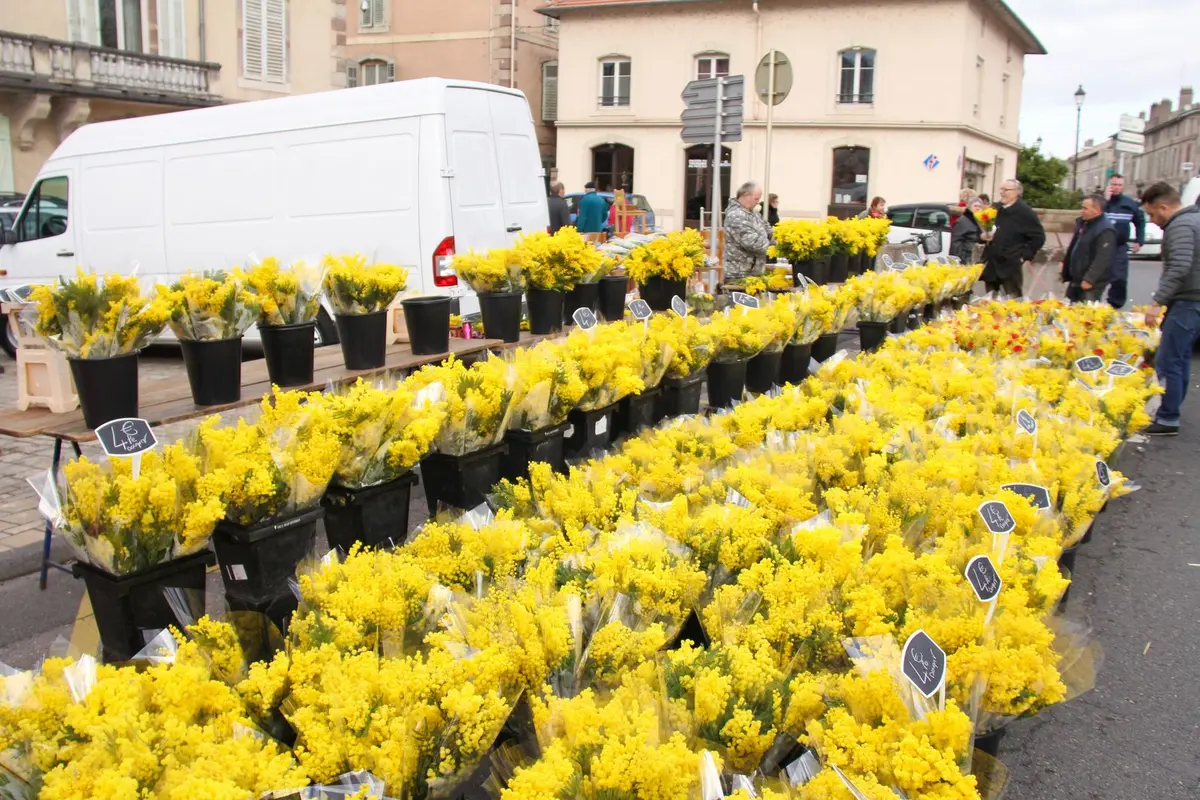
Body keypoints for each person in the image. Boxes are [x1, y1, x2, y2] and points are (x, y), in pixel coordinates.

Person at [1140, 182, 1200, 435]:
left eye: (1153, 214)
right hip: (1192, 299)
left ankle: (1167, 417)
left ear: (1164, 207)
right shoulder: (1193, 220)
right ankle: (1171, 409)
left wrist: (1157, 304)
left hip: (1189, 299)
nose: (1153, 222)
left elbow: (1179, 267)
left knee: (1168, 360)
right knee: (1180, 356)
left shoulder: (1181, 226)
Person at [981, 179, 1045, 297]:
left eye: (1006, 190)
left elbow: (1039, 237)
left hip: (1010, 264)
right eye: (1001, 189)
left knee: (1013, 300)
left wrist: (1024, 256)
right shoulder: (995, 208)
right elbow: (985, 227)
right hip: (992, 262)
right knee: (989, 299)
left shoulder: (1025, 212)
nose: (1002, 192)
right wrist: (984, 235)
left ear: (1017, 192)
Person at [1060, 193, 1116, 303]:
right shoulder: (1084, 224)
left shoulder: (1105, 230)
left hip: (1090, 283)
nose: (1082, 211)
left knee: (1086, 314)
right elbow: (1075, 247)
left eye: (1085, 208)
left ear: (1097, 210)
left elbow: (1102, 258)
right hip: (1076, 279)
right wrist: (1066, 266)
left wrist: (1089, 279)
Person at [1102, 173, 1145, 309]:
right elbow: (1091, 218)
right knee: (1095, 278)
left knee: (1119, 278)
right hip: (1100, 246)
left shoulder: (1129, 203)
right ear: (1108, 185)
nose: (1116, 188)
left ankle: (1114, 305)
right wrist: (1105, 201)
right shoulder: (1100, 203)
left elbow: (1140, 221)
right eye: (1113, 184)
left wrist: (1139, 240)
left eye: (1119, 185)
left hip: (1119, 246)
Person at [723, 181, 773, 280]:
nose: (758, 202)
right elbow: (752, 242)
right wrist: (776, 249)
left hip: (754, 271)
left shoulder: (754, 214)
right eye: (756, 198)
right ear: (746, 195)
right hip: (738, 273)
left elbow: (768, 230)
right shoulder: (736, 215)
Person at [950, 196, 984, 264]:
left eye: (980, 206)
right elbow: (955, 242)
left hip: (977, 257)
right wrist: (959, 260)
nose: (978, 208)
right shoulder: (962, 221)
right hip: (966, 258)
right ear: (969, 207)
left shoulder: (980, 221)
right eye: (975, 206)